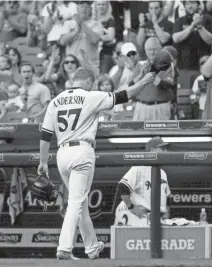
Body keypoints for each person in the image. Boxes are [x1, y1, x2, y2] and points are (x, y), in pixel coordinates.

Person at [38, 67, 155, 260]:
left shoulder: (55, 100)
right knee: (76, 202)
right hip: (82, 151)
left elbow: (45, 135)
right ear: (89, 81)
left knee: (80, 202)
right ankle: (64, 248)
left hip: (61, 154)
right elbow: (124, 95)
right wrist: (143, 82)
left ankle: (91, 247)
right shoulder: (89, 96)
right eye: (91, 83)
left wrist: (43, 161)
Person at [114, 137, 171, 227]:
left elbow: (167, 197)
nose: (166, 152)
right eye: (163, 149)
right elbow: (122, 187)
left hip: (157, 217)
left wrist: (166, 215)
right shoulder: (139, 168)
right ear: (153, 150)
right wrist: (131, 207)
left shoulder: (162, 173)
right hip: (140, 216)